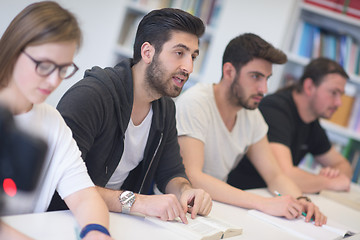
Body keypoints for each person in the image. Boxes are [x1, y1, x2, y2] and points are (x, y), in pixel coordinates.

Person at [49, 8, 212, 224]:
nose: (189, 67)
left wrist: (186, 191)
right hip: (64, 218)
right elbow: (59, 178)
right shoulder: (92, 95)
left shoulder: (165, 108)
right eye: (179, 53)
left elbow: (170, 172)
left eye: (193, 56)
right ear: (147, 52)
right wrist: (138, 202)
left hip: (119, 219)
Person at [175, 33, 327, 226]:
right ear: (229, 71)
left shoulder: (251, 115)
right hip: (177, 211)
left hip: (211, 209)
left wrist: (302, 200)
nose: (264, 89)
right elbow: (193, 177)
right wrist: (265, 204)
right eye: (256, 77)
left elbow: (275, 175)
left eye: (267, 78)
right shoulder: (196, 102)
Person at [0, 2, 112, 239]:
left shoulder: (52, 121)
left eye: (62, 69)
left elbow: (84, 196)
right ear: (14, 50)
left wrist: (97, 232)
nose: (53, 82)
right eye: (45, 66)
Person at [227, 57, 353, 194]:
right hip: (240, 195)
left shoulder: (311, 121)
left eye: (341, 95)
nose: (339, 103)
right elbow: (285, 175)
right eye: (334, 93)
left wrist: (335, 176)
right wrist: (330, 182)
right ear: (309, 87)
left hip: (268, 197)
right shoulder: (275, 110)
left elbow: (343, 166)